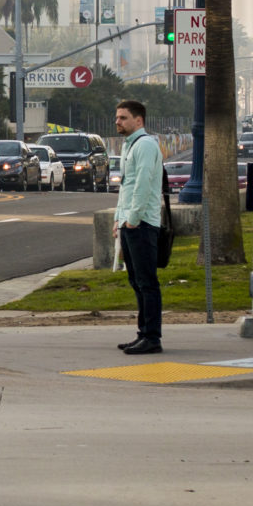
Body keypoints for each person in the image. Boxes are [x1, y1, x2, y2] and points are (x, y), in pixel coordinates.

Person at [113, 99, 167, 355]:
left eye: (123, 117)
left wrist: (133, 219)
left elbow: (143, 184)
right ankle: (143, 333)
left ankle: (152, 337)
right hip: (129, 222)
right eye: (117, 117)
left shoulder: (144, 145)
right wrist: (118, 219)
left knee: (147, 282)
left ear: (139, 120)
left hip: (142, 224)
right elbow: (126, 187)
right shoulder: (129, 146)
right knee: (137, 281)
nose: (118, 122)